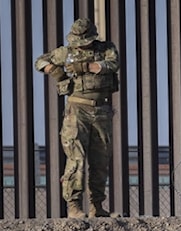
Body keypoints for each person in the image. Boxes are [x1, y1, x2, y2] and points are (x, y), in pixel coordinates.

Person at [35, 18, 120, 219]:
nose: (81, 44)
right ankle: (74, 206)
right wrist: (55, 71)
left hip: (101, 111)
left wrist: (87, 67)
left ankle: (97, 206)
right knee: (76, 159)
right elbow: (40, 61)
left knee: (100, 161)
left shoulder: (106, 49)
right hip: (77, 111)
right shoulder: (67, 52)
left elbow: (112, 64)